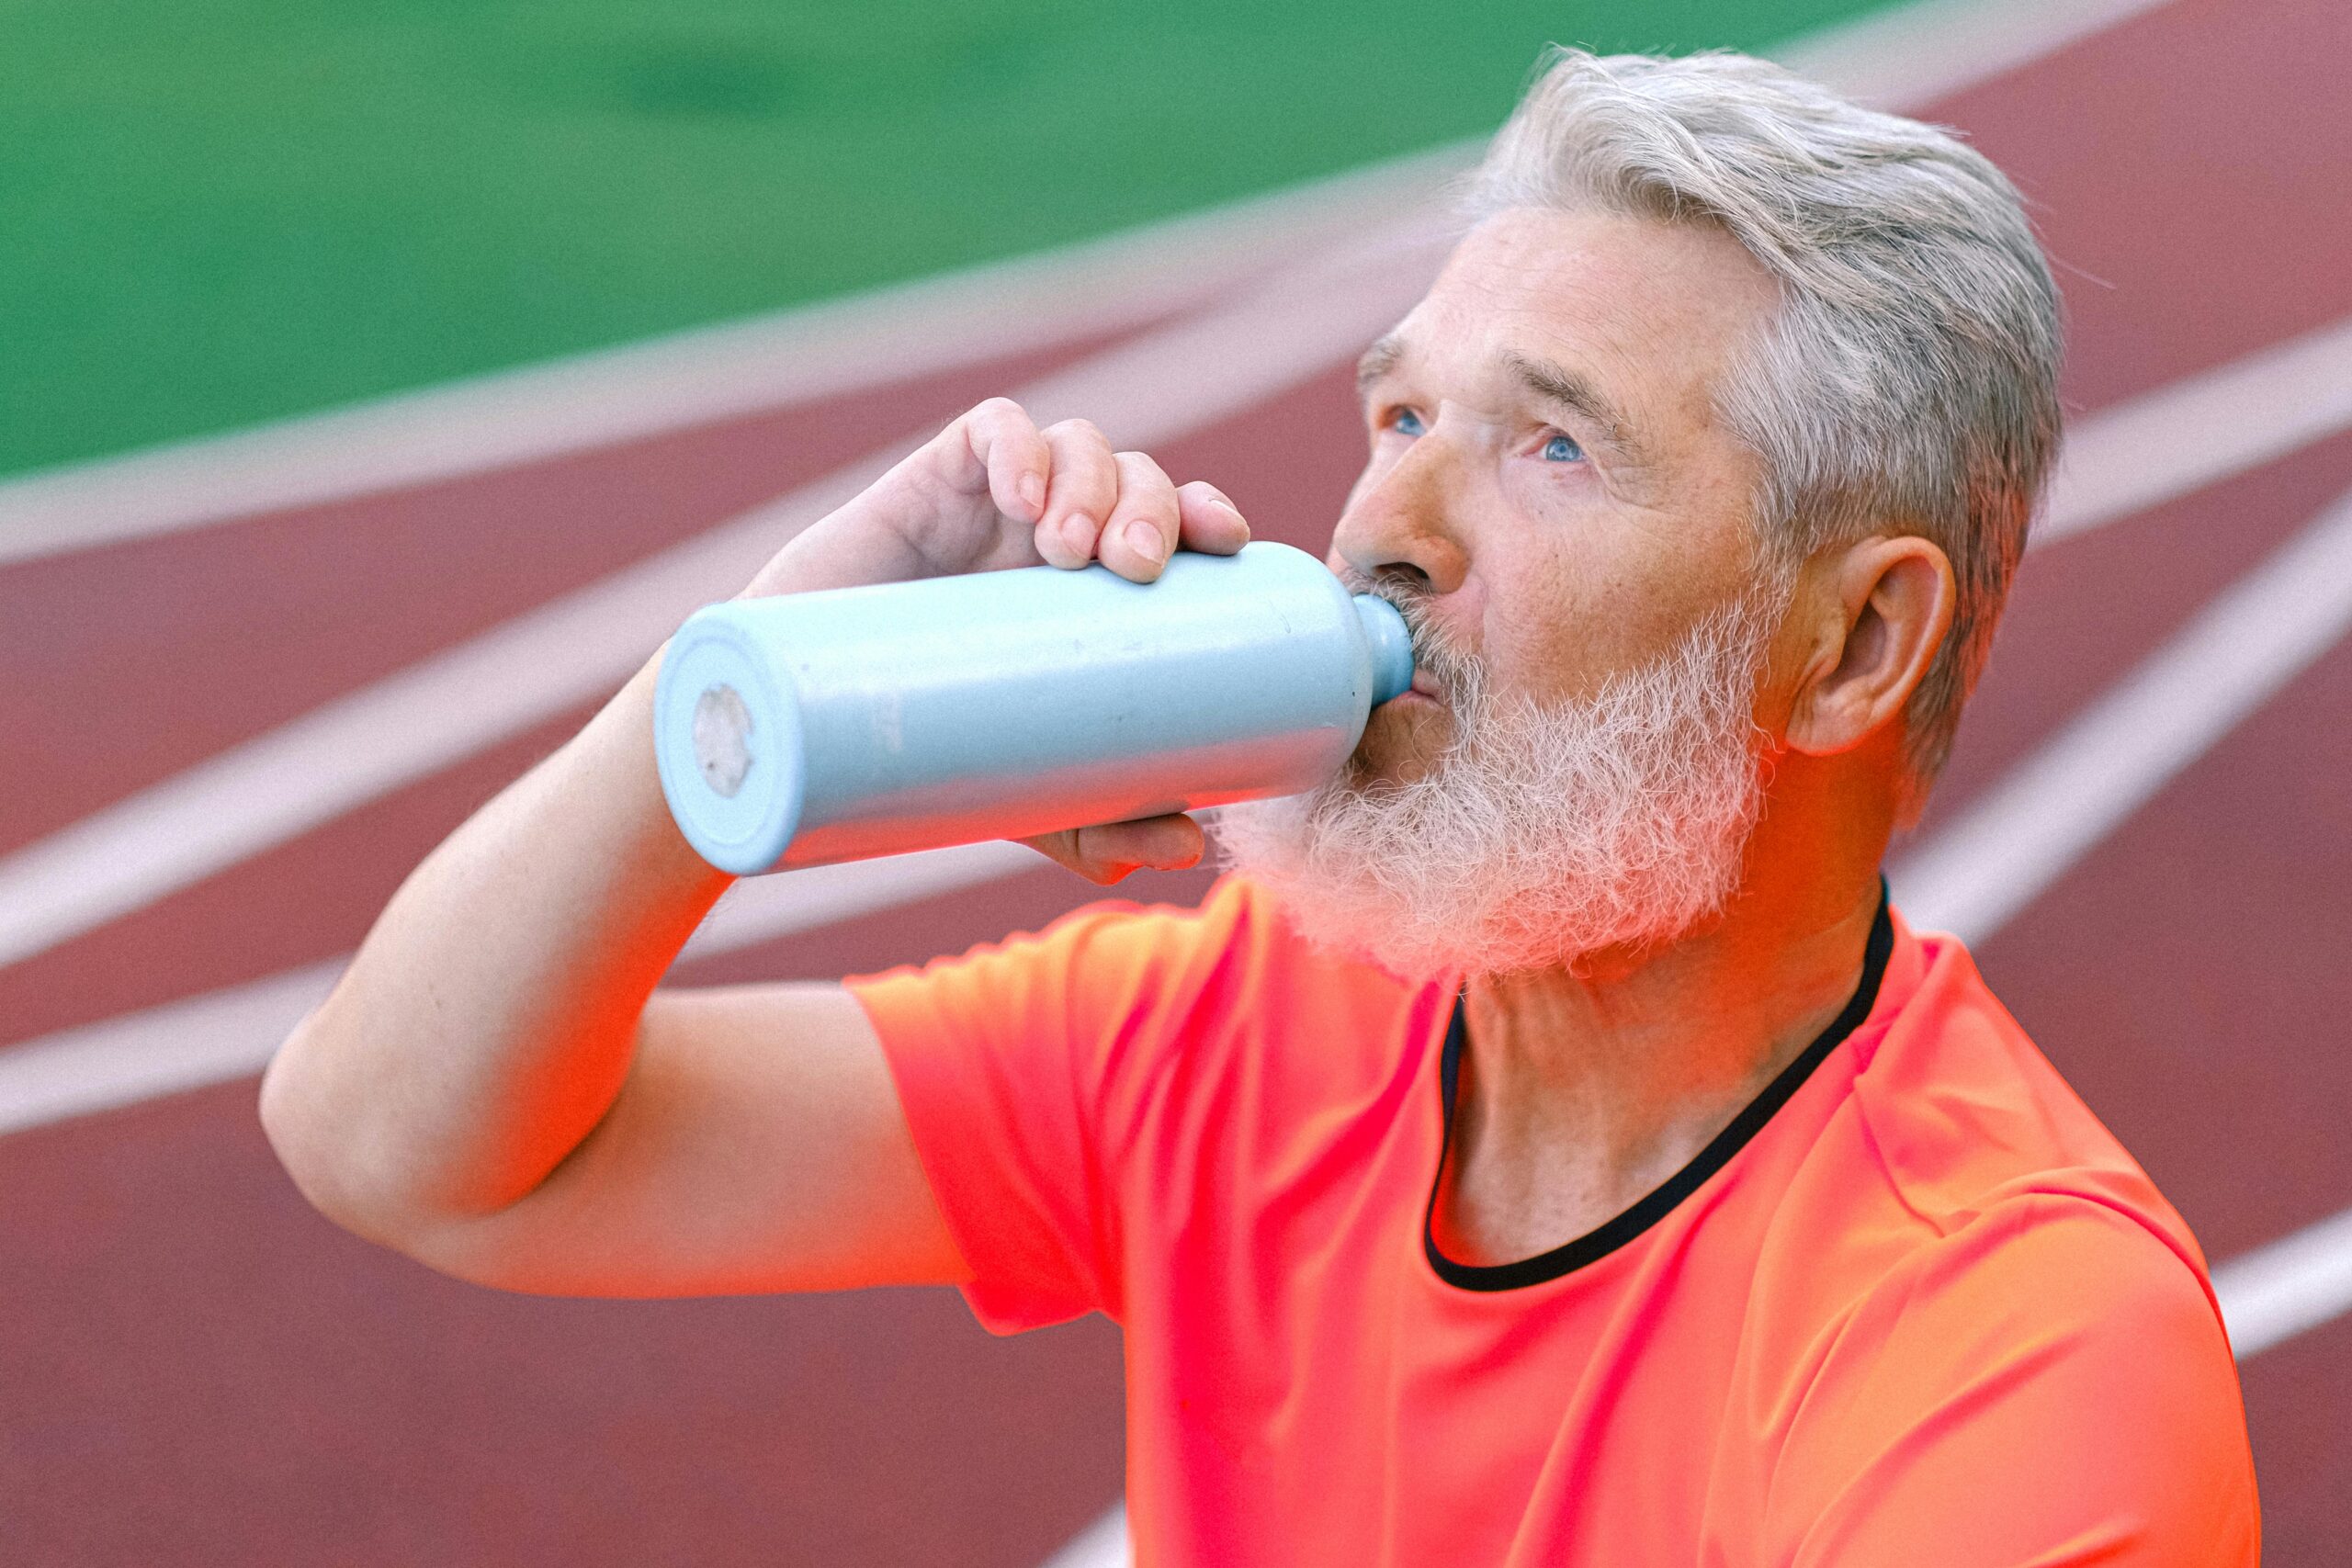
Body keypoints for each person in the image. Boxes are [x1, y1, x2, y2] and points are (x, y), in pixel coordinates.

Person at [260, 47, 2260, 1564]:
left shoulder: (2010, 1355)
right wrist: (749, 672)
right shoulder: (1250, 1025)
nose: (1379, 529)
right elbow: (417, 1149)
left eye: (1551, 447)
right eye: (1399, 414)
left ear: (1844, 649)